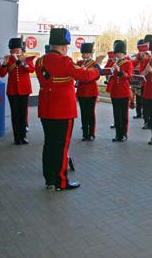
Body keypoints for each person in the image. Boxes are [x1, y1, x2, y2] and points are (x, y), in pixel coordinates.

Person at [35, 28, 100, 191]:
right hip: (63, 110)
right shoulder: (65, 61)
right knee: (62, 146)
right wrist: (97, 69)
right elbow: (84, 75)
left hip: (46, 108)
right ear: (64, 47)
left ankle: (49, 179)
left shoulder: (40, 62)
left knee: (49, 144)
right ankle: (61, 181)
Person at [0, 37, 35, 145]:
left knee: (23, 114)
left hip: (24, 90)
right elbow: (2, 74)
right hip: (12, 91)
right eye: (14, 50)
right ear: (11, 51)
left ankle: (23, 136)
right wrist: (5, 64)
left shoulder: (26, 58)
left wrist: (21, 62)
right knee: (15, 114)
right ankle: (16, 138)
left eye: (18, 49)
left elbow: (31, 69)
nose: (17, 51)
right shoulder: (8, 59)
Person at [107, 40, 133, 142]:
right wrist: (111, 70)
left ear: (122, 53)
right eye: (116, 53)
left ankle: (124, 134)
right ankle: (118, 134)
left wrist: (119, 70)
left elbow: (128, 76)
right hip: (115, 92)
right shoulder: (114, 62)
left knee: (123, 115)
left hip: (123, 91)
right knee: (116, 115)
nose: (116, 55)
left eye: (118, 53)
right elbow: (107, 73)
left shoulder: (128, 63)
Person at [76, 42, 103, 141]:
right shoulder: (79, 63)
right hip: (81, 91)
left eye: (86, 53)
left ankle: (91, 133)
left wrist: (86, 71)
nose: (84, 55)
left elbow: (97, 76)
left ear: (90, 54)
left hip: (91, 91)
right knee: (83, 113)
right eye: (83, 53)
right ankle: (84, 133)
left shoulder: (94, 64)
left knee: (91, 113)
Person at [131, 39, 151, 120]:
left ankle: (144, 113)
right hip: (137, 77)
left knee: (143, 97)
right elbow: (133, 63)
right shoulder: (138, 55)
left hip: (144, 78)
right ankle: (138, 113)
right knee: (137, 95)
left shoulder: (149, 55)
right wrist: (139, 57)